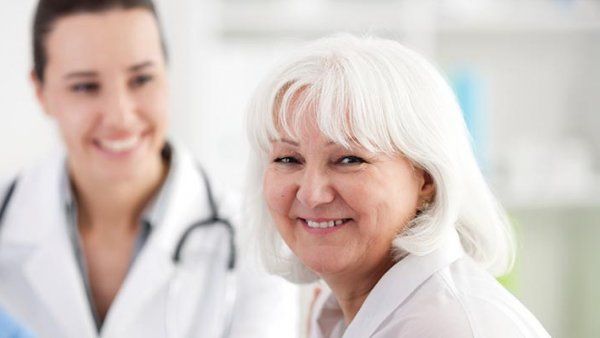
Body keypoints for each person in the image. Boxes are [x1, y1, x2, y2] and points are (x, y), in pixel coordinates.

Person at [0, 1, 298, 337]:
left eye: (141, 79)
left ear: (167, 76)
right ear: (41, 92)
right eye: (85, 86)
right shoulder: (6, 217)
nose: (120, 117)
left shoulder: (255, 247)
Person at [245, 34, 550, 338]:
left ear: (426, 179)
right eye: (288, 159)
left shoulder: (447, 328)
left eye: (349, 160)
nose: (312, 194)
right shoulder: (338, 313)